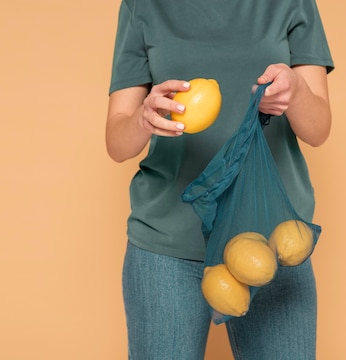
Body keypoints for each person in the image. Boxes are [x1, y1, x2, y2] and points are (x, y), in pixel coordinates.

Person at [105, 1, 334, 359]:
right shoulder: (142, 5)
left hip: (273, 241)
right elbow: (117, 142)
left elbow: (318, 129)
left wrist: (298, 92)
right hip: (168, 247)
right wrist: (142, 119)